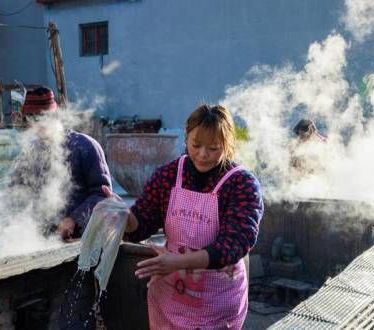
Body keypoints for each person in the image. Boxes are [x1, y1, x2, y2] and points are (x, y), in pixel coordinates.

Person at [104, 104, 263, 329]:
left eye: (213, 148)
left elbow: (234, 244)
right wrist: (125, 216)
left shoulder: (241, 184)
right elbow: (143, 221)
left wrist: (176, 262)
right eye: (196, 145)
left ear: (227, 146)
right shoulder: (169, 175)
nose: (202, 154)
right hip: (171, 296)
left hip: (217, 302)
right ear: (186, 137)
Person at [11, 86, 112, 239]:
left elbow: (103, 194)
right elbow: (16, 192)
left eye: (42, 119)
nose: (38, 126)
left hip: (84, 239)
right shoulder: (29, 153)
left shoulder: (85, 147)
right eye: (32, 119)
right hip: (42, 239)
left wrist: (74, 219)